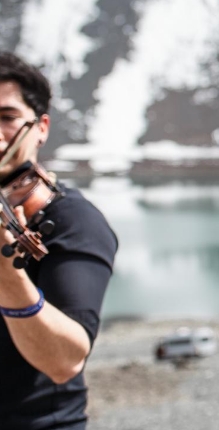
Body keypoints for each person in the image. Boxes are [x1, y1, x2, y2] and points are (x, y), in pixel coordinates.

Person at [0, 52, 119, 430]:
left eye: (6, 117)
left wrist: (8, 277)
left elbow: (65, 360)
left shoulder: (73, 220)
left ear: (41, 127)